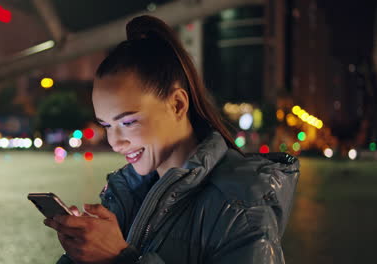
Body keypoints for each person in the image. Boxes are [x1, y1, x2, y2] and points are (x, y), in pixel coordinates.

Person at [44, 15, 300, 264]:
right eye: (107, 126)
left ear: (177, 104)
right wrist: (83, 254)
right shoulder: (125, 193)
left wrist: (119, 257)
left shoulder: (241, 206)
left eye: (128, 122)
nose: (115, 142)